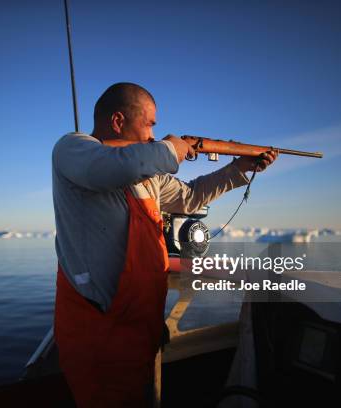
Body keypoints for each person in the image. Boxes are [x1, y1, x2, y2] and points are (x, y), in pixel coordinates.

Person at [52, 82, 277, 407]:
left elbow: (190, 197)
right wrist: (174, 148)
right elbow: (117, 166)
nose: (152, 135)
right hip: (98, 337)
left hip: (139, 332)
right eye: (150, 124)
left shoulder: (147, 173)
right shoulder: (74, 148)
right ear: (117, 121)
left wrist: (238, 168)